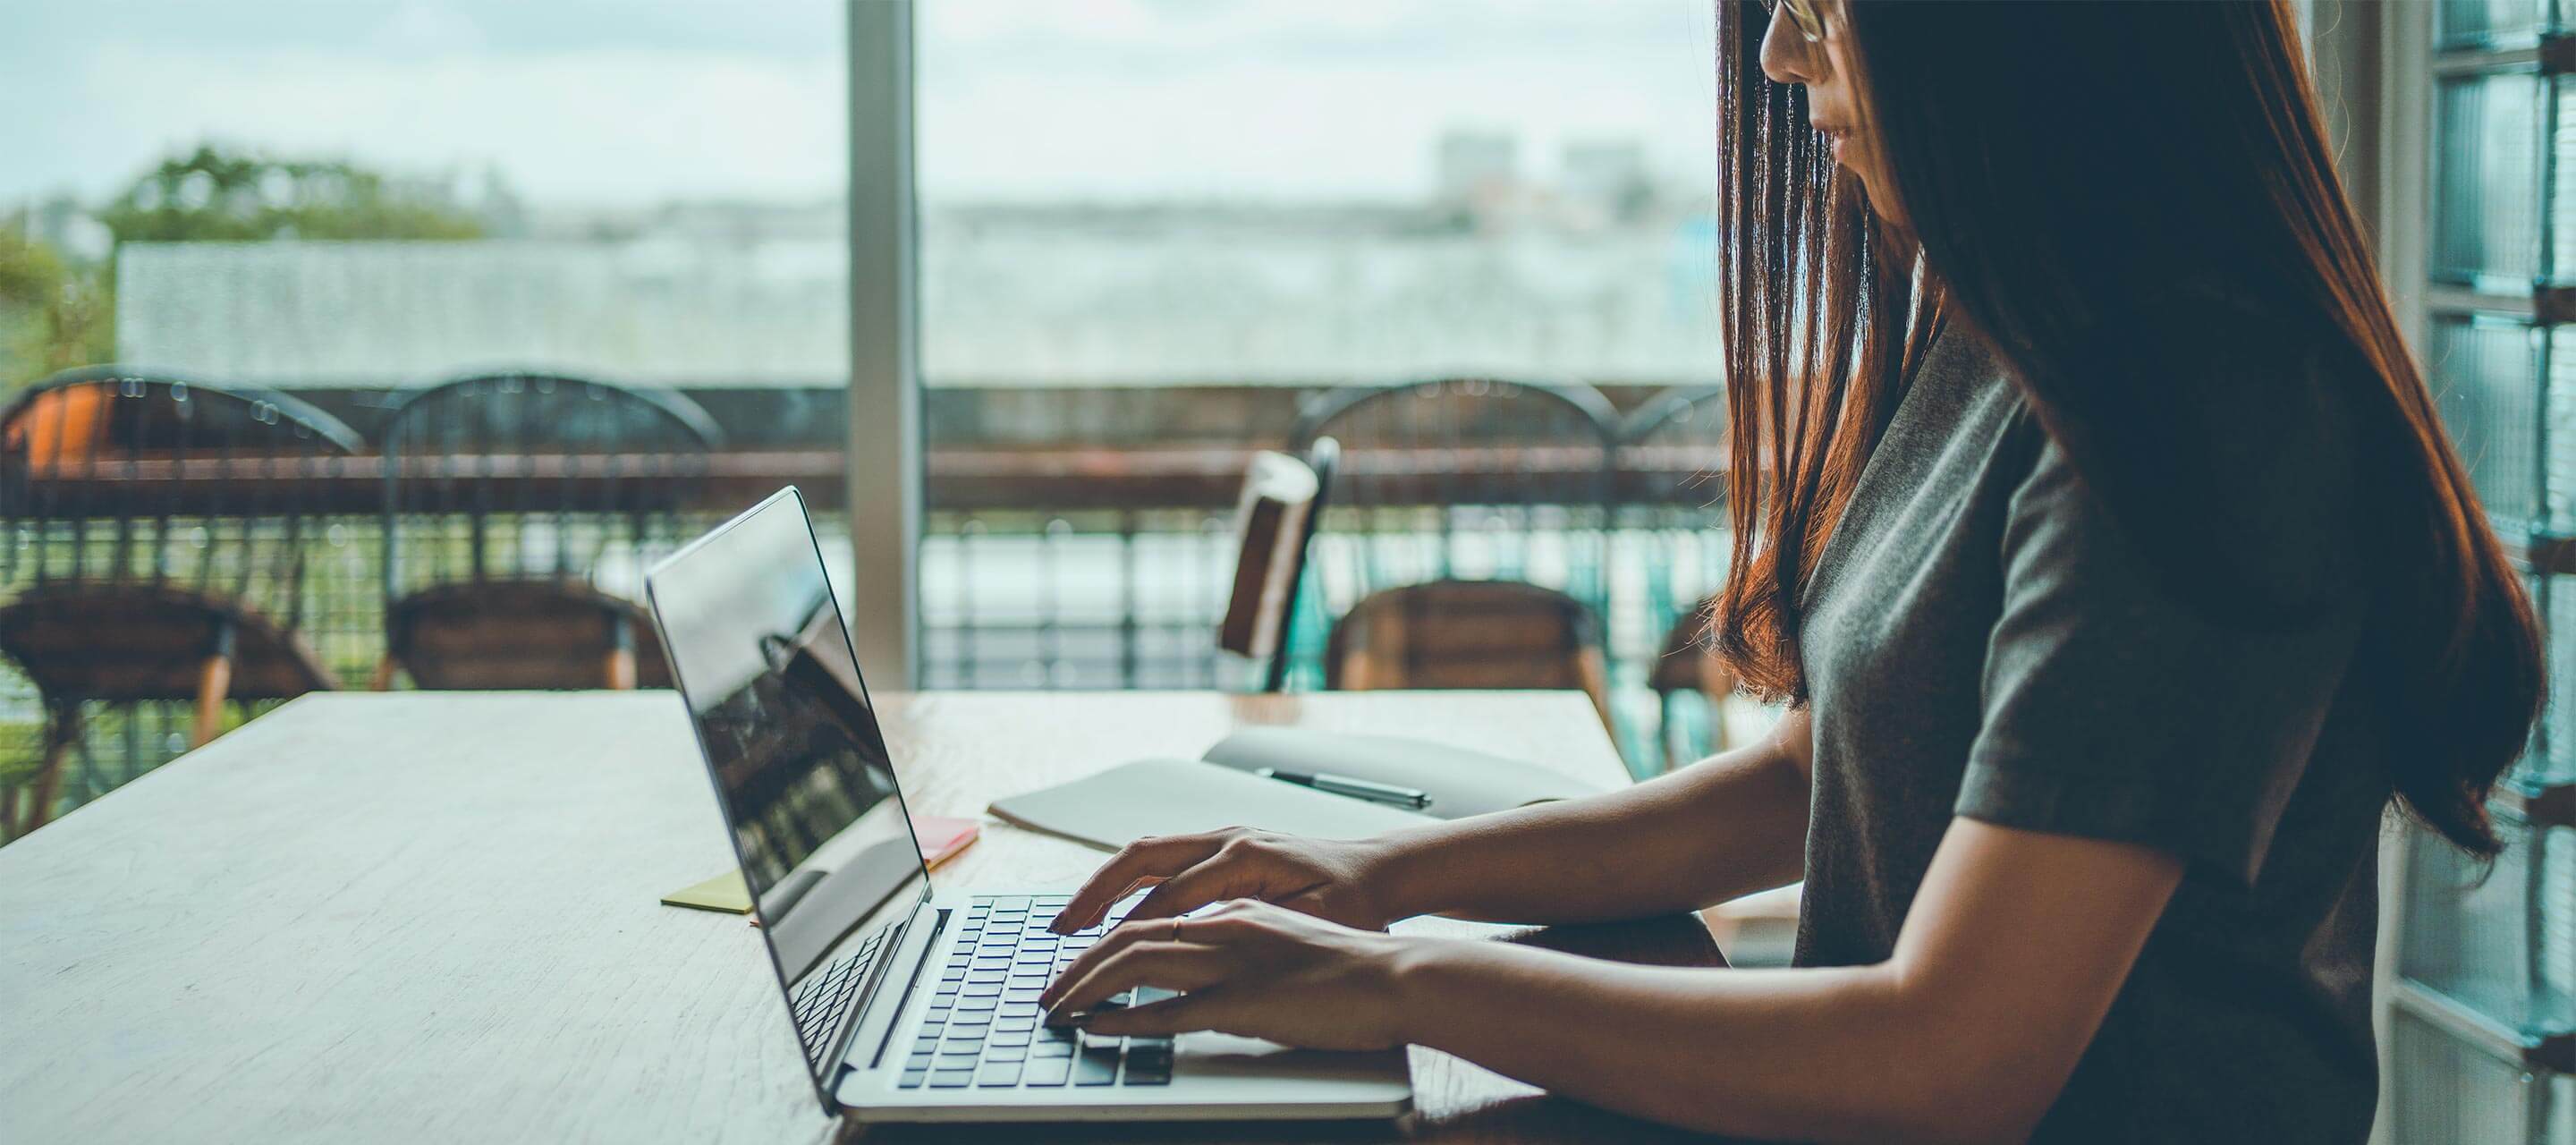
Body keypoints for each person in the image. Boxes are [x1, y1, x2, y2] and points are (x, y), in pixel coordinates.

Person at [1037, 2, 2544, 1141]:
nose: (1774, 52)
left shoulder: (2209, 416)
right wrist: (1376, 882)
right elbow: (1815, 779)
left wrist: (1404, 980)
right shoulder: (2024, 334)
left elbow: (1952, 1059)